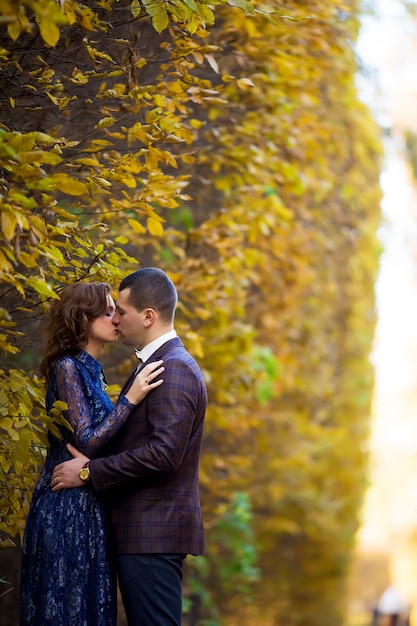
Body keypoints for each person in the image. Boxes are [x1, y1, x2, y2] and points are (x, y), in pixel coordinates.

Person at [51, 267, 207, 626]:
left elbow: (164, 454)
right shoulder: (158, 365)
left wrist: (89, 471)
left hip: (153, 533)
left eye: (121, 310)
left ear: (148, 316)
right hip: (144, 533)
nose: (116, 318)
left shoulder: (173, 368)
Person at [20, 282, 165, 626]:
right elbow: (87, 441)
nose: (116, 319)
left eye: (117, 311)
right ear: (82, 318)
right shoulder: (67, 367)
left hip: (89, 505)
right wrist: (130, 400)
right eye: (108, 311)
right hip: (66, 505)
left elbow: (101, 443)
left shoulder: (94, 372)